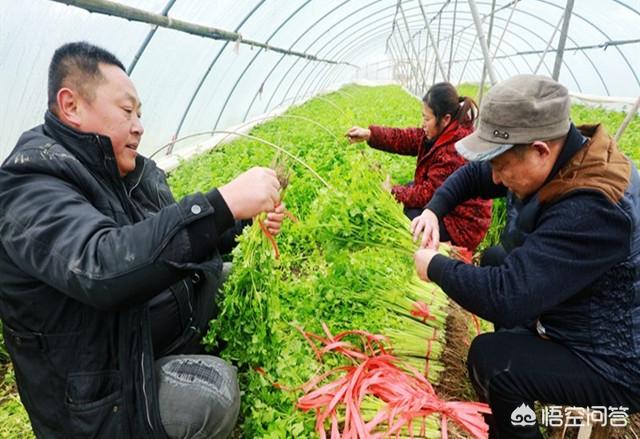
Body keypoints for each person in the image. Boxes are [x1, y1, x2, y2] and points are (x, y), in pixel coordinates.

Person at [0, 42, 285, 438]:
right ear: (72, 106)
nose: (139, 125)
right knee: (214, 393)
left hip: (144, 335)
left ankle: (185, 361)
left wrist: (242, 222)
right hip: (101, 393)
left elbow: (167, 240)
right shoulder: (29, 185)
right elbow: (102, 265)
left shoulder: (126, 171)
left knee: (229, 277)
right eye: (126, 110)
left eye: (140, 114)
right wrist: (221, 202)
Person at [411, 74, 640, 438]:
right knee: (497, 259)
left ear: (539, 150)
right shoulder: (561, 153)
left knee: (495, 363)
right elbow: (475, 173)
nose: (497, 180)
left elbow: (507, 297)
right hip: (573, 310)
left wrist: (435, 266)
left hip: (614, 359)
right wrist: (434, 210)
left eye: (502, 167)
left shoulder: (593, 208)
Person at [346, 82, 492, 251]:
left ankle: (449, 250)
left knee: (410, 216)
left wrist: (391, 191)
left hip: (461, 224)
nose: (423, 123)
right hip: (449, 208)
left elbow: (427, 194)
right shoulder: (440, 131)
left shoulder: (456, 148)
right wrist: (370, 134)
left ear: (445, 119)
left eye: (427, 118)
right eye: (423, 116)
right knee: (409, 189)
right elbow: (405, 138)